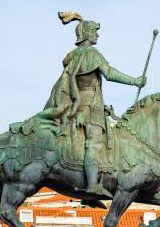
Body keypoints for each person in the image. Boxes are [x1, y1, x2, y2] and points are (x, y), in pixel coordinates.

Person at [41, 11, 146, 198]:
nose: (97, 34)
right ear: (87, 34)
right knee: (93, 144)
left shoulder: (72, 56)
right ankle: (91, 186)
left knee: (87, 144)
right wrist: (134, 81)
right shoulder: (91, 54)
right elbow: (109, 73)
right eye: (94, 31)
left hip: (78, 103)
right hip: (89, 107)